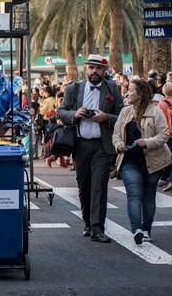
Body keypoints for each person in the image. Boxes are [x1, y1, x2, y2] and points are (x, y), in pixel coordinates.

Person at [57, 54, 123, 243]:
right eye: (91, 68)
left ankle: (97, 227)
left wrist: (106, 117)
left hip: (102, 146)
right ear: (86, 69)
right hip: (80, 145)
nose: (95, 71)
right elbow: (61, 112)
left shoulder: (112, 88)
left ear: (104, 70)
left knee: (99, 187)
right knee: (84, 186)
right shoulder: (73, 89)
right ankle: (87, 222)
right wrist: (74, 114)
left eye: (98, 68)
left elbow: (122, 115)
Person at [112, 79, 172, 244]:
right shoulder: (125, 112)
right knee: (134, 195)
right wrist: (119, 145)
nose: (127, 93)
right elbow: (116, 134)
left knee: (149, 197)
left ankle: (146, 230)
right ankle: (136, 229)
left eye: (131, 90)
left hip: (153, 161)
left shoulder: (156, 111)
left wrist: (147, 142)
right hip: (129, 161)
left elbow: (164, 135)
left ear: (140, 94)